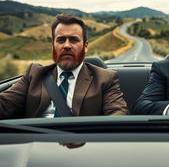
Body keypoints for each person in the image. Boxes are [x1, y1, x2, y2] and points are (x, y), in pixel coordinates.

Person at [0, 14, 128, 119]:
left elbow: (118, 114)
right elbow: (4, 105)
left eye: (74, 40)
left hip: (82, 146)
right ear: (53, 46)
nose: (67, 45)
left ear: (85, 46)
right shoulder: (34, 74)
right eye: (61, 40)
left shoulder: (105, 78)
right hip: (37, 141)